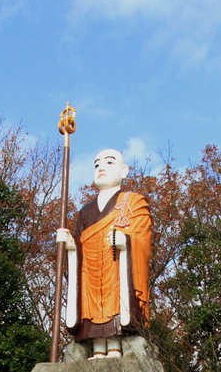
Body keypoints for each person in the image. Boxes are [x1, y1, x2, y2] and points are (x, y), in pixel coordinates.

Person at [55, 149, 151, 358]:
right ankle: (97, 346)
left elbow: (142, 237)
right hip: (90, 272)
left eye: (109, 162)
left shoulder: (133, 202)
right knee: (90, 307)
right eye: (97, 164)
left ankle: (115, 344)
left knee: (116, 301)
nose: (101, 168)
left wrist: (126, 241)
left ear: (124, 171)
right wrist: (71, 244)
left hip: (116, 267)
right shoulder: (86, 211)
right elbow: (79, 241)